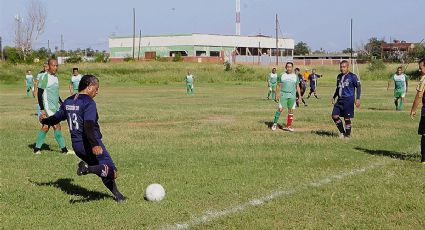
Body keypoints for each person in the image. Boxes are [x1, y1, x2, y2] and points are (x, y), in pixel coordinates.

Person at [41, 75, 126, 202]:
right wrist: (94, 145)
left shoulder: (68, 101)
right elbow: (89, 126)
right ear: (89, 87)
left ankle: (118, 196)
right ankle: (87, 168)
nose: (97, 91)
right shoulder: (89, 102)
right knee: (113, 171)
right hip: (90, 144)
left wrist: (45, 120)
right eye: (96, 89)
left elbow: (56, 118)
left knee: (103, 169)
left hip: (77, 146)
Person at [33, 58, 73, 155]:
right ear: (49, 66)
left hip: (54, 107)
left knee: (46, 127)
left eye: (56, 65)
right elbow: (40, 93)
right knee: (57, 126)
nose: (55, 67)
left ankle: (37, 149)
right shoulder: (44, 77)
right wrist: (42, 109)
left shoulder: (55, 77)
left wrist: (62, 103)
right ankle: (64, 150)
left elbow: (55, 94)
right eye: (53, 65)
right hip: (47, 108)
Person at [331, 60, 361, 138]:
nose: (342, 68)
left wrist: (357, 98)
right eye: (341, 67)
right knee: (334, 116)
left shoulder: (352, 76)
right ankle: (342, 132)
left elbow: (358, 86)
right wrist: (334, 96)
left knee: (346, 118)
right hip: (340, 100)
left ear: (348, 67)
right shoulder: (339, 76)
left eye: (344, 67)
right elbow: (338, 88)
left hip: (348, 100)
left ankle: (347, 135)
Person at [271, 62, 301, 132]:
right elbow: (278, 85)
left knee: (291, 111)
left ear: (292, 68)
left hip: (292, 96)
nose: (289, 68)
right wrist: (276, 95)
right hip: (283, 95)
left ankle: (288, 126)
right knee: (280, 109)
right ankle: (275, 124)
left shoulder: (295, 76)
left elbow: (297, 86)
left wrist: (300, 97)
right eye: (287, 67)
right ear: (285, 67)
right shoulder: (282, 75)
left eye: (290, 67)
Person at [409, 58, 425, 163]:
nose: (419, 70)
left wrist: (413, 109)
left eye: (421, 68)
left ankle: (424, 159)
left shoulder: (424, 79)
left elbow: (419, 95)